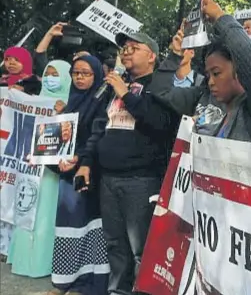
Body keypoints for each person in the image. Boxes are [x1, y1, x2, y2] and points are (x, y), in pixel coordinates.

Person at [75, 32, 180, 295]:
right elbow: (100, 126)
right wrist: (87, 162)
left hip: (141, 181)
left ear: (152, 56)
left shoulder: (162, 87)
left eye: (135, 47)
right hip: (108, 180)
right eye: (124, 48)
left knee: (141, 250)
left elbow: (161, 125)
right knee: (115, 247)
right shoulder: (113, 88)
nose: (126, 51)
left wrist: (128, 94)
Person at [158, 0, 251, 144]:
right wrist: (175, 55)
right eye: (208, 75)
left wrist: (220, 17)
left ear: (238, 68)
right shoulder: (203, 99)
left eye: (216, 73)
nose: (211, 82)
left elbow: (244, 52)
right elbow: (161, 92)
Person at [47, 55, 109, 295]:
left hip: (89, 172)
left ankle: (92, 283)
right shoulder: (70, 102)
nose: (80, 78)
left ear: (97, 76)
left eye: (86, 73)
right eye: (76, 73)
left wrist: (82, 159)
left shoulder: (102, 101)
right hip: (67, 173)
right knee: (69, 227)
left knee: (91, 228)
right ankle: (66, 281)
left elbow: (98, 135)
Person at [7, 60, 72, 278]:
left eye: (56, 75)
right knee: (27, 206)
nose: (50, 78)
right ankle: (22, 258)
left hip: (52, 172)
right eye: (47, 74)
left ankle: (43, 262)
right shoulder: (34, 100)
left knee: (45, 213)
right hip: (29, 167)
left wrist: (65, 112)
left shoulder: (71, 102)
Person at [166, 20, 205, 88]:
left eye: (183, 47)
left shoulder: (202, 82)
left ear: (192, 52)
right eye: (175, 47)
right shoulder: (163, 80)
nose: (179, 51)